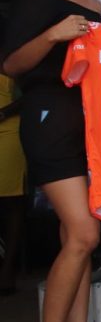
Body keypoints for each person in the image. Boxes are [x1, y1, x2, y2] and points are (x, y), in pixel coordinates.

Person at [0, 0, 101, 322]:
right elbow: (12, 65)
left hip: (87, 120)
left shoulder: (92, 1)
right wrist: (54, 34)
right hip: (48, 115)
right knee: (86, 234)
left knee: (76, 236)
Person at [0, 72, 26, 295]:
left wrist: (5, 112)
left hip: (7, 130)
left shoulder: (9, 54)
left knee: (11, 204)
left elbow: (29, 94)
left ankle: (8, 271)